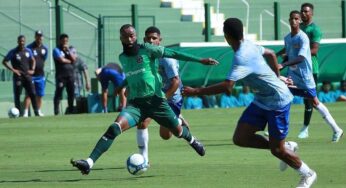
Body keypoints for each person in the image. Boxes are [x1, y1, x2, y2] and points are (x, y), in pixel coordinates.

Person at [183, 17, 317, 188]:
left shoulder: (240, 56)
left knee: (277, 151)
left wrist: (196, 91)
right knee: (240, 138)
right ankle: (287, 146)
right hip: (262, 100)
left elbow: (227, 87)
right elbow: (270, 53)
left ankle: (307, 173)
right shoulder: (248, 44)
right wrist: (276, 76)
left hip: (278, 101)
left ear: (226, 36)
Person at [70, 24, 218, 175]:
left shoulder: (148, 49)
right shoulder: (122, 57)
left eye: (132, 35)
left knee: (177, 132)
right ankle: (89, 163)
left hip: (156, 102)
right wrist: (120, 87)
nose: (129, 39)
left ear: (135, 36)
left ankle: (192, 140)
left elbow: (172, 53)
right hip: (136, 105)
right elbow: (132, 75)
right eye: (125, 36)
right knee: (114, 128)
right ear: (120, 38)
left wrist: (201, 60)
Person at [277, 11, 343, 142]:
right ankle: (277, 129)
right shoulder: (287, 38)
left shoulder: (303, 37)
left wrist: (283, 64)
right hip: (293, 76)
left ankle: (336, 129)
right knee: (280, 94)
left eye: (296, 19)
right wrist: (277, 57)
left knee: (315, 103)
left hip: (305, 78)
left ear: (300, 21)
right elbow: (290, 54)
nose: (293, 21)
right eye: (291, 19)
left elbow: (301, 57)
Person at [136, 26, 191, 163]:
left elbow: (175, 82)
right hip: (155, 94)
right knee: (142, 122)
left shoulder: (167, 58)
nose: (151, 40)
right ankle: (144, 160)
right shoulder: (143, 56)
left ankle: (178, 120)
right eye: (148, 38)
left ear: (159, 41)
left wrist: (163, 99)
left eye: (154, 38)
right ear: (144, 40)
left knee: (165, 135)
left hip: (172, 97)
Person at [298, 2, 323, 139]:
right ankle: (275, 126)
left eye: (306, 11)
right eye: (302, 11)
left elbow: (314, 50)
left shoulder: (315, 30)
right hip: (298, 68)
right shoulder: (299, 28)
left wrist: (296, 54)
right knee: (284, 92)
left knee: (311, 100)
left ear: (312, 13)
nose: (303, 13)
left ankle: (305, 128)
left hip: (311, 69)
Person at [2, 35, 40, 116]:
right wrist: (13, 70)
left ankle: (36, 112)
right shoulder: (13, 52)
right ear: (17, 41)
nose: (21, 43)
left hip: (27, 76)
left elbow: (33, 60)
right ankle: (18, 113)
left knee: (33, 93)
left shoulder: (28, 51)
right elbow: (4, 61)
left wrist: (33, 69)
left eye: (23, 41)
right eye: (20, 41)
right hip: (18, 77)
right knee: (17, 96)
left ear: (24, 42)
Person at [23, 30, 48, 117]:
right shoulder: (29, 47)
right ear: (35, 37)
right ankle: (25, 112)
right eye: (38, 36)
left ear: (42, 37)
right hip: (31, 76)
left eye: (41, 36)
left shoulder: (45, 49)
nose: (39, 38)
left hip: (40, 75)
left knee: (40, 95)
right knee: (29, 94)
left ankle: (38, 111)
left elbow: (43, 59)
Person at [53, 33, 77, 115]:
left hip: (70, 75)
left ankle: (71, 110)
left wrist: (68, 51)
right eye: (63, 41)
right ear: (60, 41)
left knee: (71, 93)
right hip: (61, 76)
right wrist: (69, 61)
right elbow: (61, 60)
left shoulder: (71, 49)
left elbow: (74, 59)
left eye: (66, 41)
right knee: (58, 93)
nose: (65, 42)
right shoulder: (56, 50)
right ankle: (56, 111)